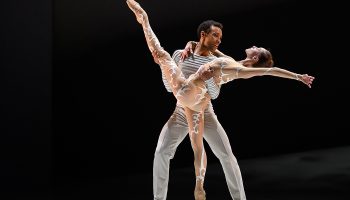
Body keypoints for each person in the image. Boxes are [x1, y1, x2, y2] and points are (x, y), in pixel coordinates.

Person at [126, 1, 315, 200]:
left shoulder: (221, 64)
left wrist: (297, 76)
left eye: (220, 37)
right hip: (181, 108)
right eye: (215, 35)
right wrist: (172, 59)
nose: (219, 40)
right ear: (203, 35)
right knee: (162, 151)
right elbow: (169, 86)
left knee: (225, 155)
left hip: (204, 110)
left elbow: (216, 92)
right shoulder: (182, 54)